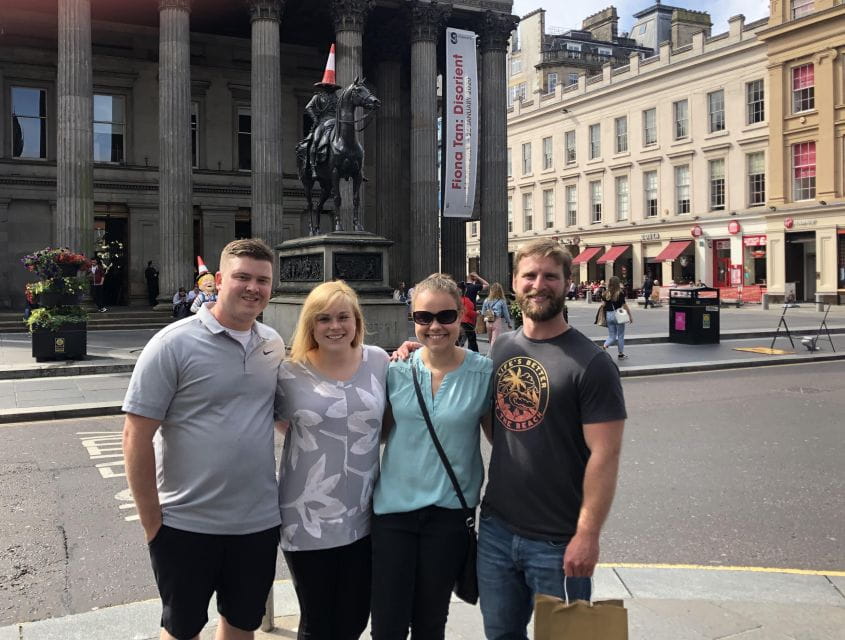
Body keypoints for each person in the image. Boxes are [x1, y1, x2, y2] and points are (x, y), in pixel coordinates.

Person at [122, 239, 283, 640]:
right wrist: (152, 524)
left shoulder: (273, 344)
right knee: (182, 630)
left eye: (263, 280)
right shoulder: (172, 343)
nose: (253, 287)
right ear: (219, 279)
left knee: (242, 625)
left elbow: (289, 414)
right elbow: (135, 436)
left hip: (257, 523)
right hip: (185, 524)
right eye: (243, 277)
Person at [478, 238, 626, 639]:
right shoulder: (502, 347)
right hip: (496, 530)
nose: (538, 285)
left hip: (559, 540)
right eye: (529, 275)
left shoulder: (592, 363)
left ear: (566, 283)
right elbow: (496, 425)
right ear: (514, 282)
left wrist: (587, 535)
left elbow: (605, 455)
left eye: (550, 276)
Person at [371, 273, 493, 639]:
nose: (435, 326)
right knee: (387, 625)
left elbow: (504, 442)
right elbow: (377, 433)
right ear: (413, 319)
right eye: (424, 317)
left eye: (446, 316)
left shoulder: (484, 372)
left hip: (450, 514)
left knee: (430, 622)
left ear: (462, 316)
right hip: (393, 513)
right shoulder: (395, 369)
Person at [276, 280, 389, 640]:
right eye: (323, 319)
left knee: (354, 619)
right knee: (317, 622)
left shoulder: (379, 361)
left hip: (364, 513)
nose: (334, 326)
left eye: (343, 317)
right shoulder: (288, 372)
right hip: (306, 516)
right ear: (310, 325)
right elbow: (279, 422)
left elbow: (387, 424)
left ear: (357, 321)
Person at [601, 275, 633, 360]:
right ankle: (620, 354)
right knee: (620, 335)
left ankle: (604, 346)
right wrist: (630, 315)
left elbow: (603, 305)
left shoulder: (605, 293)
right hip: (618, 315)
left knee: (612, 336)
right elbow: (624, 305)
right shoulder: (620, 293)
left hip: (609, 315)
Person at [480, 282, 512, 349]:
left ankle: (490, 353)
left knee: (490, 340)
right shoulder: (502, 301)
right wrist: (508, 322)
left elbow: (483, 313)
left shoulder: (486, 300)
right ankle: (491, 354)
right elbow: (506, 313)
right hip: (496, 321)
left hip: (488, 321)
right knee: (494, 341)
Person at [458, 281, 479, 352]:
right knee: (472, 341)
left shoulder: (454, 301)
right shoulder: (466, 300)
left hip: (457, 322)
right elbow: (468, 312)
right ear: (465, 291)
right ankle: (475, 355)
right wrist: (476, 313)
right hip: (467, 323)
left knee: (459, 340)